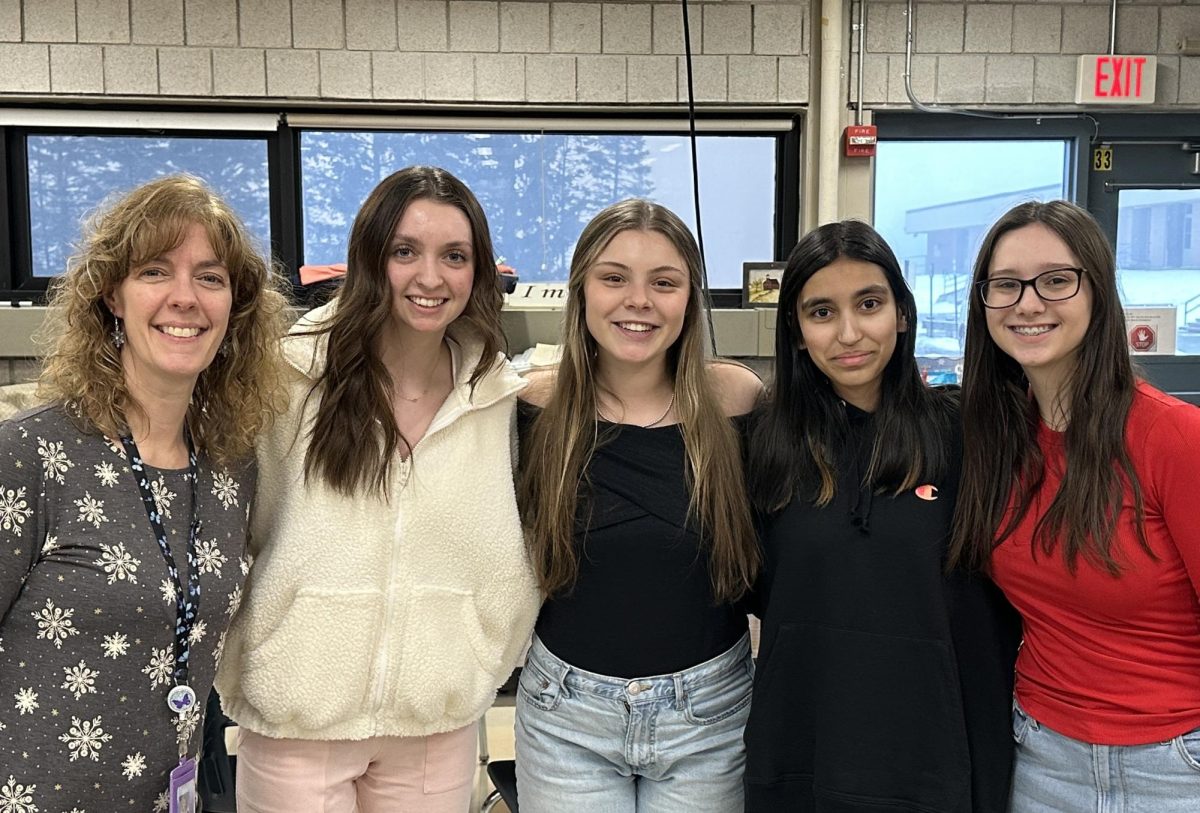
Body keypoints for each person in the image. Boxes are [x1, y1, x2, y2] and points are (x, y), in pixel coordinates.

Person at [215, 166, 540, 813]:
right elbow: (235, 529)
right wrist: (258, 647)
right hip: (297, 717)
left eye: (455, 255)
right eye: (405, 251)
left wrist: (481, 654)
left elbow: (505, 544)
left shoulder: (495, 393)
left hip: (434, 724)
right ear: (370, 257)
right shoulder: (289, 375)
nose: (431, 277)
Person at [0, 174, 289, 809]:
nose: (185, 298)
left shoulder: (229, 468)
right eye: (156, 271)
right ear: (111, 294)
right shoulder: (30, 454)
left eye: (210, 278)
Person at [743, 220, 1019, 812]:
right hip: (805, 751)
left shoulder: (970, 435)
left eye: (868, 303)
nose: (849, 333)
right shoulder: (762, 445)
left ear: (901, 311)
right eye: (821, 312)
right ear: (795, 331)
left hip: (940, 754)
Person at [950, 200, 1200, 812]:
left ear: (1098, 291)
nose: (1028, 303)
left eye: (1056, 281)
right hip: (1039, 754)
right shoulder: (994, 441)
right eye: (1005, 286)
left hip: (1173, 763)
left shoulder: (1174, 437)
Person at [516, 198, 763, 812]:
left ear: (690, 298)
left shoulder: (736, 401)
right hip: (564, 718)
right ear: (582, 291)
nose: (639, 300)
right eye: (614, 277)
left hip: (709, 717)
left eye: (664, 282)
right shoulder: (533, 410)